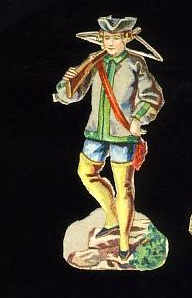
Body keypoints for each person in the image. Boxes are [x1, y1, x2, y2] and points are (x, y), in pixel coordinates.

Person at [53, 16, 164, 260]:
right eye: (106, 38)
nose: (110, 43)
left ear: (126, 38)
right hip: (96, 132)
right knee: (86, 173)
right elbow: (72, 95)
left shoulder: (136, 63)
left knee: (124, 187)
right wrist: (66, 82)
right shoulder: (94, 61)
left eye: (115, 38)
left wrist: (138, 118)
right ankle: (112, 217)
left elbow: (153, 96)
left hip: (124, 135)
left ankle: (124, 240)